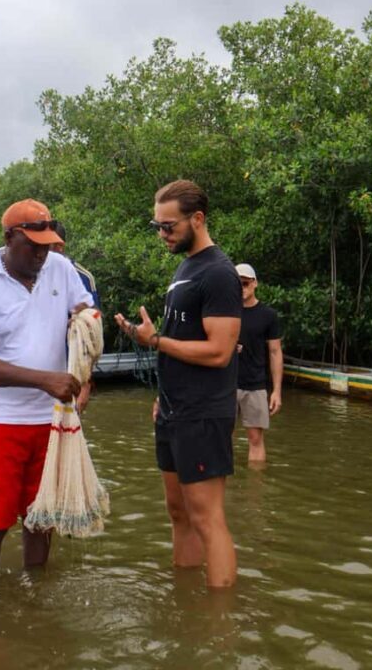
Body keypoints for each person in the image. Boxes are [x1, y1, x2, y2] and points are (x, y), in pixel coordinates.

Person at [0, 198, 95, 577]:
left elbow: (84, 317)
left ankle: (37, 603)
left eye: (47, 244)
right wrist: (44, 379)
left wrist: (84, 365)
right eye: (32, 245)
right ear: (8, 238)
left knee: (42, 516)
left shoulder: (60, 268)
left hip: (51, 420)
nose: (41, 253)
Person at [115, 180, 241, 588]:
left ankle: (218, 624)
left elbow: (219, 352)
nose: (162, 234)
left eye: (168, 226)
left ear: (197, 219)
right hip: (172, 409)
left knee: (207, 517)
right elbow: (180, 342)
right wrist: (161, 395)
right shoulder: (185, 268)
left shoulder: (219, 273)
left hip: (203, 412)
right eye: (157, 226)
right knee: (178, 512)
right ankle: (185, 606)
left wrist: (153, 340)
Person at [235, 263, 283, 465]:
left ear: (255, 283)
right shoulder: (225, 312)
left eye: (245, 283)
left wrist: (276, 391)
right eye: (237, 283)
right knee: (219, 437)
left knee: (255, 439)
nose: (242, 287)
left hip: (255, 384)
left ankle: (255, 493)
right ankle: (220, 491)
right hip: (225, 383)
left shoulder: (268, 315)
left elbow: (274, 352)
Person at [50, 221, 101, 309]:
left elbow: (94, 317)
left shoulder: (83, 277)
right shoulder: (32, 273)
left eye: (45, 246)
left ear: (59, 247)